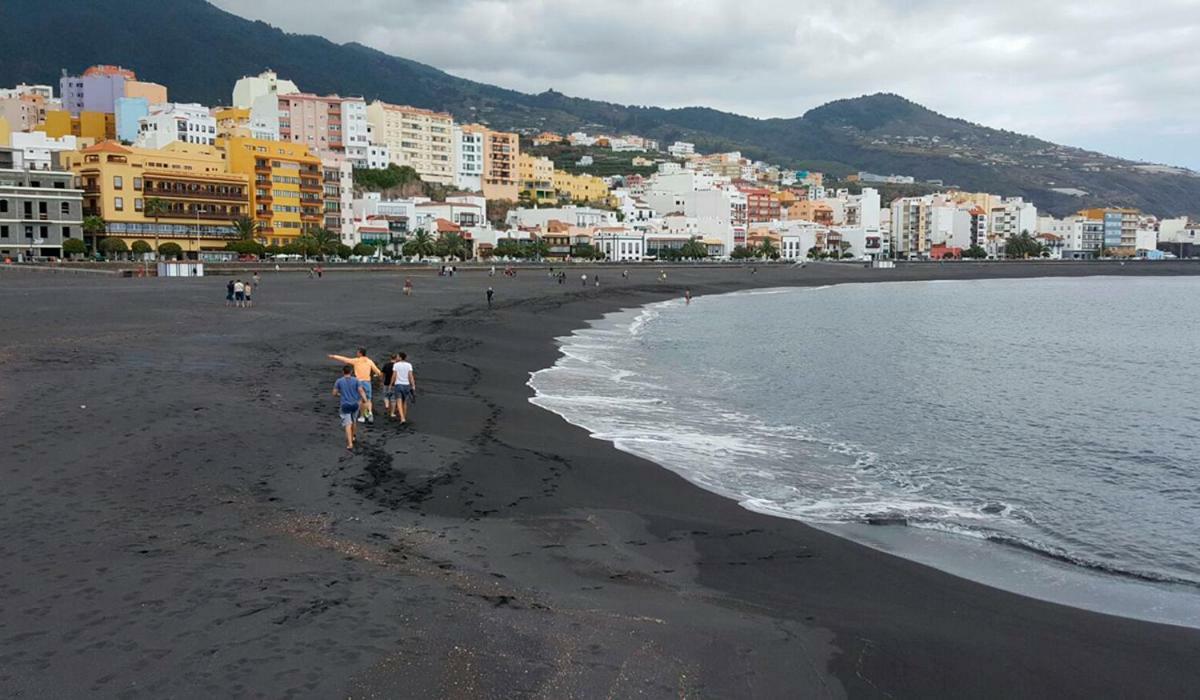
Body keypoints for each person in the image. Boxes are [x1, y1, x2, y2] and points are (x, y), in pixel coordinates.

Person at [327, 348, 382, 423]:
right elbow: (378, 372)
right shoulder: (369, 361)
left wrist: (334, 356)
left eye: (357, 352)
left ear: (360, 353)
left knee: (360, 399)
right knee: (368, 399)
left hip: (359, 382)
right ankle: (370, 412)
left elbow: (345, 359)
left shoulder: (356, 361)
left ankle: (362, 416)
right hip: (367, 382)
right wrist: (378, 376)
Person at [333, 365, 366, 450]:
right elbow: (361, 390)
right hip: (355, 404)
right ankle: (353, 436)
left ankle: (350, 443)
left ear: (343, 372)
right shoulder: (356, 380)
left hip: (345, 405)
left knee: (348, 424)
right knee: (354, 420)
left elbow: (334, 393)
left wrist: (339, 394)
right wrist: (365, 400)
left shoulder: (339, 381)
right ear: (351, 372)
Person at [391, 352, 416, 424]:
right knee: (404, 402)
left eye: (398, 356)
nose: (397, 357)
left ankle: (402, 418)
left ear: (400, 357)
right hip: (406, 385)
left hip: (398, 385)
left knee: (399, 402)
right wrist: (413, 385)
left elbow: (394, 375)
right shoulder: (409, 365)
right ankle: (403, 416)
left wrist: (391, 384)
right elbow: (411, 376)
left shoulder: (396, 365)